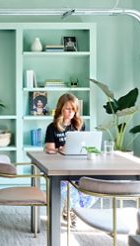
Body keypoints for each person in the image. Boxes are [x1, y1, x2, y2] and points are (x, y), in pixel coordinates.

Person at [44, 93, 97, 226]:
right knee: (69, 189)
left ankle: (74, 211)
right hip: (60, 169)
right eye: (68, 108)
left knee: (94, 187)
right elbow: (49, 149)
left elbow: (86, 146)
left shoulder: (79, 125)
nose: (71, 112)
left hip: (79, 167)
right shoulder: (52, 127)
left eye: (73, 109)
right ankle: (72, 212)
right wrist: (60, 150)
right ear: (61, 109)